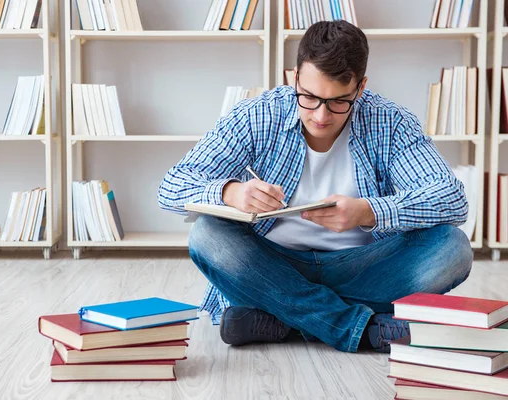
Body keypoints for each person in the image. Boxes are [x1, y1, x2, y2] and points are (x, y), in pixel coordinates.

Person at [157, 20, 473, 353]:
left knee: (452, 247)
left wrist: (368, 212)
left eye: (339, 102)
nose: (321, 116)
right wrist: (232, 193)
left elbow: (450, 198)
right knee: (208, 234)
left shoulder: (390, 121)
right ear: (293, 77)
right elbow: (172, 186)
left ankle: (282, 317)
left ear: (360, 88)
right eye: (308, 97)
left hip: (362, 266)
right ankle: (360, 328)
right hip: (272, 265)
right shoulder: (257, 116)